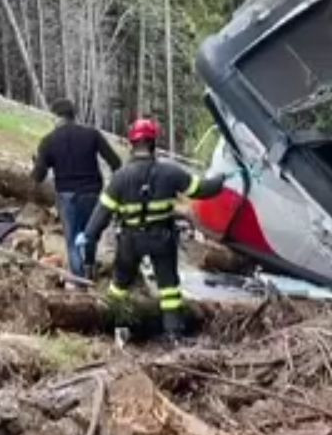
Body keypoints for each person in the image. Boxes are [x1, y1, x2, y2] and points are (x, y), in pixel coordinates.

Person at [77, 117, 225, 341]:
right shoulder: (170, 173)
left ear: (131, 144)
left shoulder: (120, 178)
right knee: (169, 288)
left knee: (119, 285)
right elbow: (202, 190)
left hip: (130, 241)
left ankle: (114, 328)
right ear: (153, 144)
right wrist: (223, 180)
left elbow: (102, 213)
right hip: (162, 239)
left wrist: (88, 236)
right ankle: (174, 333)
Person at [31, 98, 122, 279]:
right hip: (92, 192)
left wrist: (36, 164)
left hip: (67, 194)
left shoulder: (48, 141)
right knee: (90, 234)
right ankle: (89, 268)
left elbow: (39, 176)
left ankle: (80, 281)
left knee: (72, 240)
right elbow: (116, 162)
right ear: (73, 115)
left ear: (56, 116)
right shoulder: (92, 134)